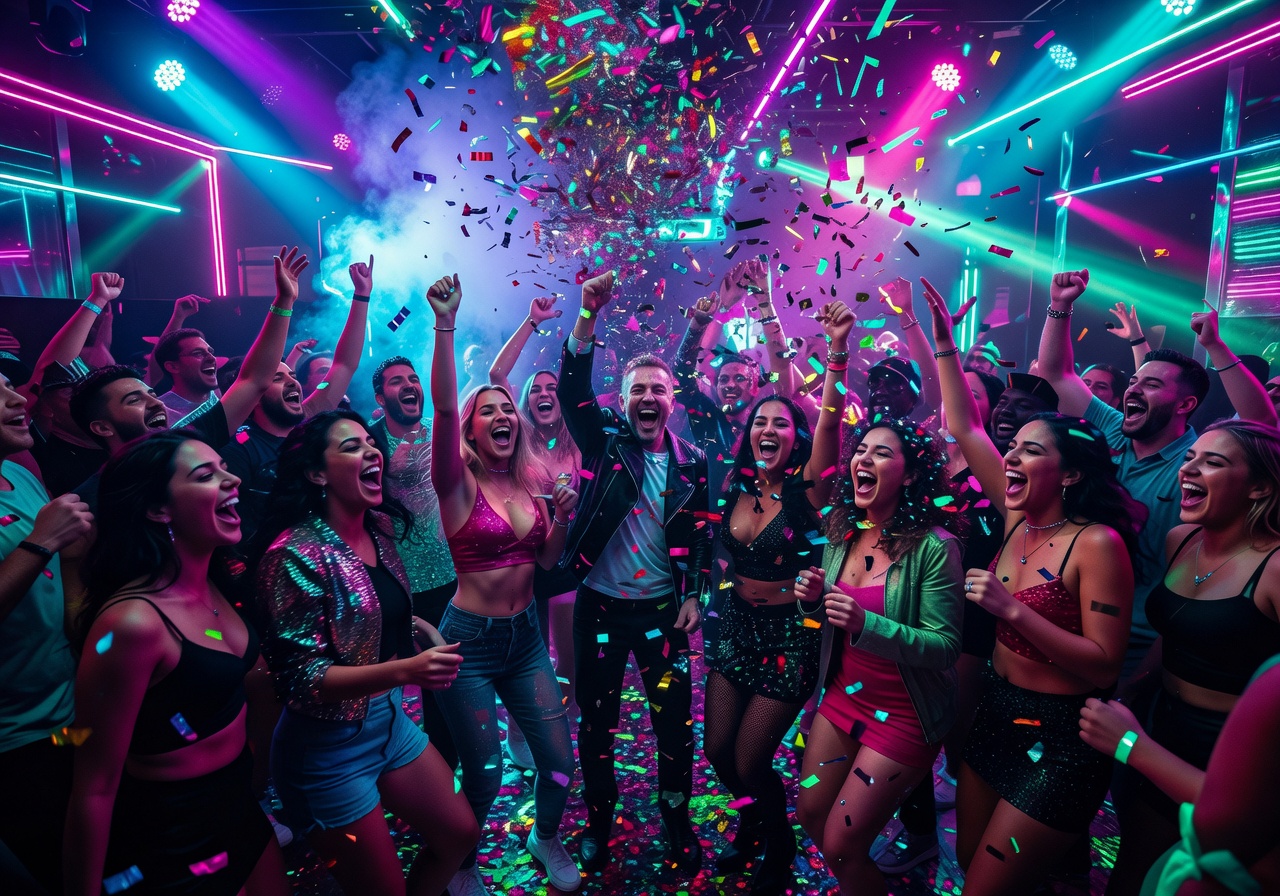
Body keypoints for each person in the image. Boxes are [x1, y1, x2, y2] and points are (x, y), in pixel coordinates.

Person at [924, 276, 1142, 895]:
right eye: (1011, 450)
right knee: (972, 859)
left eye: (1029, 453)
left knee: (986, 886)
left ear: (1070, 473)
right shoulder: (1017, 518)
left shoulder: (1095, 544)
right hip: (994, 710)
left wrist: (1011, 612)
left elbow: (1102, 668)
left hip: (1061, 734)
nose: (1010, 460)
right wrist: (943, 341)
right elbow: (967, 427)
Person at [253, 410, 475, 896]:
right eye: (351, 447)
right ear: (316, 473)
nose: (372, 451)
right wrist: (406, 670)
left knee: (460, 833)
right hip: (326, 747)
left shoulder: (378, 528)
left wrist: (418, 631)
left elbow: (372, 610)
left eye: (370, 444)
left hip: (389, 723)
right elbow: (302, 679)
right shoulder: (293, 554)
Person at [64, 431, 288, 896]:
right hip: (173, 834)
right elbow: (95, 786)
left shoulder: (218, 580)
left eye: (225, 468)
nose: (232, 481)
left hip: (238, 804)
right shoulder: (132, 624)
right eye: (206, 476)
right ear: (157, 508)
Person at [1036, 269, 1277, 676]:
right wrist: (1061, 306)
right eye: (1133, 381)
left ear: (1184, 405)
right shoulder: (1110, 428)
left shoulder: (1197, 464)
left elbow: (1262, 423)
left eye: (1150, 386)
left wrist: (1215, 346)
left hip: (1140, 647)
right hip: (1063, 626)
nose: (1132, 389)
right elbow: (1057, 374)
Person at [425, 273, 581, 896]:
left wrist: (562, 520)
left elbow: (547, 563)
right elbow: (442, 407)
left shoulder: (530, 482)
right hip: (469, 644)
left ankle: (544, 837)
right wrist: (445, 324)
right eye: (486, 409)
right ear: (468, 431)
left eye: (505, 408)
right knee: (485, 775)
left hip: (524, 642)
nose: (502, 414)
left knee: (560, 762)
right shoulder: (456, 484)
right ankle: (462, 863)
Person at [1081, 420, 1280, 895]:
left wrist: (1131, 744)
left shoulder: (1274, 568)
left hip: (1227, 749)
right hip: (1158, 723)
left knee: (1199, 876)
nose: (1190, 468)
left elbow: (1236, 806)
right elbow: (1176, 633)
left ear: (1259, 486)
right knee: (1135, 867)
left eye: (1214, 462)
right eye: (1191, 457)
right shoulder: (1181, 541)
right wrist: (1132, 689)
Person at [558, 271, 712, 874]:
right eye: (637, 390)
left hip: (660, 616)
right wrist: (587, 315)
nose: (648, 398)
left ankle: (678, 821)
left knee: (673, 724)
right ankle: (598, 821)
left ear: (673, 400)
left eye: (659, 389)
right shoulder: (604, 444)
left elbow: (701, 535)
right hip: (598, 610)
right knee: (597, 722)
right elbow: (573, 389)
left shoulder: (692, 463)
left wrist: (695, 593)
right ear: (623, 401)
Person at [704, 300, 851, 895]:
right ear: (748, 434)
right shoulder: (731, 486)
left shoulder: (807, 490)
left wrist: (835, 354)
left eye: (782, 424)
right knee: (718, 750)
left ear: (795, 438)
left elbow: (830, 428)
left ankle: (778, 846)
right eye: (760, 422)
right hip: (735, 625)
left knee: (750, 758)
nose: (769, 430)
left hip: (789, 635)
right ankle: (751, 826)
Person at [791, 415, 965, 896]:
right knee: (810, 812)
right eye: (861, 451)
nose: (863, 459)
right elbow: (828, 618)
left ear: (910, 475)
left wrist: (867, 623)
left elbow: (945, 646)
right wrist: (814, 598)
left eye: (882, 453)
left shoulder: (935, 547)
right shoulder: (841, 529)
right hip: (844, 695)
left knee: (844, 845)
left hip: (906, 713)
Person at [1080, 655, 1280, 896]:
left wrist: (1131, 744)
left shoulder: (1274, 683)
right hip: (1170, 730)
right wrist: (1136, 686)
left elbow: (1226, 819)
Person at [0, 371, 92, 893]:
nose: (18, 398)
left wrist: (73, 558)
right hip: (15, 742)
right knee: (51, 866)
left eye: (11, 384)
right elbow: (40, 550)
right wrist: (40, 543)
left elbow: (61, 587)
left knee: (89, 845)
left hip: (68, 718)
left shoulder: (20, 475)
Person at [220, 255, 373, 540]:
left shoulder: (309, 419)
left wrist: (362, 296)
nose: (291, 380)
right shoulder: (239, 450)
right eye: (277, 378)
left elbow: (343, 365)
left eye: (291, 375)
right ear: (253, 396)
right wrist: (284, 301)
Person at [488, 295, 584, 734]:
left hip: (565, 559)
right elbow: (497, 375)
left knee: (566, 649)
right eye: (536, 389)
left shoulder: (579, 441)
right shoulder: (522, 436)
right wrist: (532, 321)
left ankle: (565, 717)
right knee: (526, 649)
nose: (545, 393)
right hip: (525, 558)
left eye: (552, 388)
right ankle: (525, 724)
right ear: (526, 401)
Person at [366, 355, 461, 770]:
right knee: (394, 684)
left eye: (413, 379)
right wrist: (389, 470)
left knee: (448, 686)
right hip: (398, 583)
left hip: (452, 576)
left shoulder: (443, 435)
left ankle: (447, 767)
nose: (408, 385)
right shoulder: (370, 443)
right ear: (380, 396)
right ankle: (389, 768)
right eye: (395, 381)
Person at [673, 259, 796, 465]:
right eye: (723, 379)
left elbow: (782, 363)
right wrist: (713, 315)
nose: (730, 385)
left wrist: (765, 302)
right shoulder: (705, 417)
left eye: (740, 378)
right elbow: (684, 370)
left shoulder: (769, 424)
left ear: (756, 387)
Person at [154, 328, 220, 420]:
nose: (212, 358)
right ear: (172, 367)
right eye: (198, 353)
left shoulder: (225, 397)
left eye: (210, 352)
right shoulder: (159, 413)